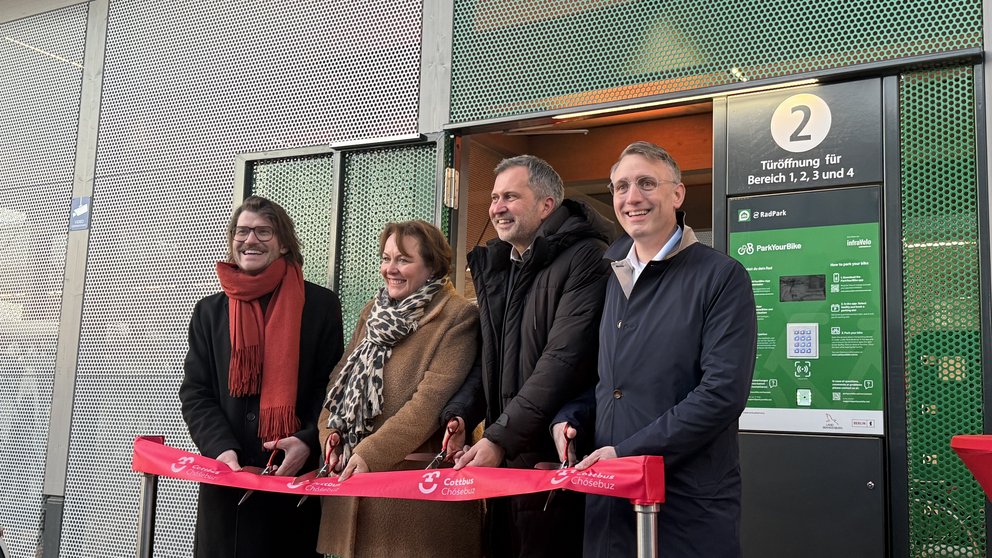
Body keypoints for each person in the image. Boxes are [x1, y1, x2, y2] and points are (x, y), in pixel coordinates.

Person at [555, 141, 757, 557]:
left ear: (677, 194)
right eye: (621, 186)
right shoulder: (613, 276)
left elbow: (722, 394)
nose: (632, 198)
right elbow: (611, 383)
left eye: (646, 183)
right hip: (611, 500)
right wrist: (570, 418)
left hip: (685, 502)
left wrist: (625, 452)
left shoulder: (721, 277)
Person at [443, 155, 613, 557]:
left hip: (554, 459)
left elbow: (562, 362)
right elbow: (492, 361)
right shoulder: (505, 263)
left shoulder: (588, 257)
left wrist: (499, 438)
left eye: (511, 197)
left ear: (546, 205)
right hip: (506, 459)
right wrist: (462, 415)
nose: (497, 207)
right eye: (495, 197)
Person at [179, 195, 344, 558]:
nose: (249, 239)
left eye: (262, 231)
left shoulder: (320, 305)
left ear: (283, 242)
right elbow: (196, 392)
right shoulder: (210, 311)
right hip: (226, 487)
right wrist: (221, 450)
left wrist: (306, 441)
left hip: (291, 483)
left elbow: (330, 387)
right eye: (241, 231)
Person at [316, 220, 483, 558]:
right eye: (386, 257)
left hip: (413, 510)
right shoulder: (374, 312)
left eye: (403, 260)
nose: (390, 268)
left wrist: (369, 453)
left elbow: (429, 403)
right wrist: (329, 434)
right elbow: (338, 383)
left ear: (432, 265)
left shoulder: (457, 316)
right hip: (351, 491)